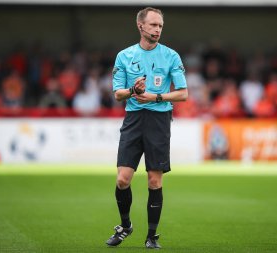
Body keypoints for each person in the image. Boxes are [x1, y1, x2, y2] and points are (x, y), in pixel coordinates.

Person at [106, 7, 188, 249]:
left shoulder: (171, 56)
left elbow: (183, 94)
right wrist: (134, 91)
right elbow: (118, 93)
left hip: (159, 121)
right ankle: (126, 226)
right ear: (140, 26)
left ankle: (151, 236)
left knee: (154, 181)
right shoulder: (124, 56)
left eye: (160, 26)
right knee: (122, 179)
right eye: (153, 25)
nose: (157, 29)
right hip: (133, 119)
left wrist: (154, 97)